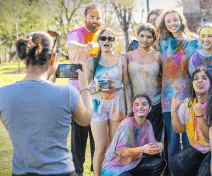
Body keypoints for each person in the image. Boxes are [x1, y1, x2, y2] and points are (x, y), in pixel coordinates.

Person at [0, 31, 93, 175]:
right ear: (54, 58)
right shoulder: (67, 93)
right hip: (61, 172)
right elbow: (86, 119)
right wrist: (85, 85)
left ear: (24, 59)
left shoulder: (3, 94)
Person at [86, 28, 133, 176]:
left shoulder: (122, 59)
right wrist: (96, 87)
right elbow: (85, 88)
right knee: (100, 147)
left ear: (114, 41)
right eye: (103, 38)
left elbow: (127, 85)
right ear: (99, 40)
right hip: (98, 106)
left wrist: (130, 109)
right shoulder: (91, 61)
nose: (106, 41)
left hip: (117, 105)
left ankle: (113, 173)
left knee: (115, 146)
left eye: (110, 39)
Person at [157, 9, 199, 168]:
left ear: (181, 20)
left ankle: (189, 170)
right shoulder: (163, 41)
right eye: (168, 21)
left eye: (175, 20)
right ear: (164, 24)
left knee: (189, 138)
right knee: (173, 139)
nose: (172, 24)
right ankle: (173, 171)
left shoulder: (194, 40)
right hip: (168, 98)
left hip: (189, 96)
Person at [65, 3, 102, 174]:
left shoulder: (102, 36)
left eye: (98, 17)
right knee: (79, 136)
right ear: (85, 17)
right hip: (78, 92)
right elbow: (70, 45)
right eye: (92, 17)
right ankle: (77, 171)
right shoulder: (77, 33)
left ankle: (97, 170)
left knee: (98, 136)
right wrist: (84, 48)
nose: (95, 20)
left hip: (99, 93)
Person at [101, 94, 166, 176]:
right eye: (136, 105)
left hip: (133, 164)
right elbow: (120, 151)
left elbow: (152, 146)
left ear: (149, 109)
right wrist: (142, 149)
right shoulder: (128, 123)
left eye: (144, 104)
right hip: (114, 167)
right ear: (132, 108)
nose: (140, 107)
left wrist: (160, 145)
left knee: (159, 162)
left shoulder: (147, 124)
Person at [169, 68, 212, 176]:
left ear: (210, 82)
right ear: (192, 84)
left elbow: (209, 136)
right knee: (176, 164)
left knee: (204, 173)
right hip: (197, 148)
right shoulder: (187, 103)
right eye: (196, 79)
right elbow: (179, 129)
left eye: (204, 78)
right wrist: (173, 110)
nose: (199, 81)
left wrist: (200, 115)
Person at [127, 23, 163, 142]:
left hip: (155, 103)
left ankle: (155, 160)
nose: (144, 39)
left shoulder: (158, 56)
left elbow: (165, 78)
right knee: (136, 140)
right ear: (137, 36)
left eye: (148, 37)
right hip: (135, 105)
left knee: (153, 139)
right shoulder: (128, 56)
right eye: (141, 36)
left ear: (153, 39)